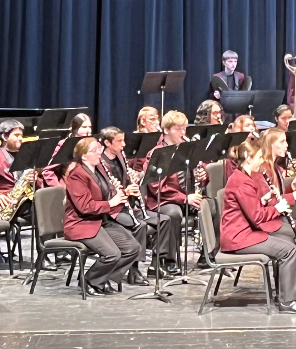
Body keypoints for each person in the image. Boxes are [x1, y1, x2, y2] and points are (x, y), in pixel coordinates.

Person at [220, 140, 296, 313]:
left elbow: (250, 207)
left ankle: (288, 293)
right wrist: (277, 208)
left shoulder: (243, 177)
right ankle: (288, 302)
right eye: (259, 157)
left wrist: (262, 201)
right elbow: (256, 217)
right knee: (289, 250)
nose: (261, 160)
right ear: (248, 158)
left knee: (289, 238)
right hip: (239, 237)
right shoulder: (241, 181)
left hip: (245, 232)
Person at [63, 137, 144, 296]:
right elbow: (85, 207)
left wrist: (123, 193)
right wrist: (111, 203)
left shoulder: (100, 169)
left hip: (100, 220)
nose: (99, 152)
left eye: (99, 149)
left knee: (133, 249)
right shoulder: (77, 175)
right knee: (112, 254)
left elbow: (106, 195)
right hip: (81, 224)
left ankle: (103, 278)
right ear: (84, 156)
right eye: (94, 150)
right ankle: (88, 280)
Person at [97, 126, 178, 277]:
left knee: (165, 220)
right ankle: (134, 270)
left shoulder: (121, 157)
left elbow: (125, 181)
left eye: (123, 140)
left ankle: (156, 264)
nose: (123, 145)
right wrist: (125, 191)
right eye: (119, 141)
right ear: (107, 143)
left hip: (128, 207)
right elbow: (104, 191)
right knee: (139, 225)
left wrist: (131, 181)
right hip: (113, 211)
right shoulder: (100, 163)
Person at [141, 111, 207, 276]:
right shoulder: (157, 153)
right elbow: (156, 188)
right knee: (173, 213)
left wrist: (203, 176)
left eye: (184, 128)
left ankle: (208, 255)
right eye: (178, 129)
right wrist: (185, 198)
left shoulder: (187, 150)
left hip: (185, 198)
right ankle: (168, 261)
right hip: (162, 202)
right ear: (166, 130)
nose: (183, 133)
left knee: (211, 205)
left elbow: (197, 175)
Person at [254, 129, 296, 287]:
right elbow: (271, 202)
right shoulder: (263, 169)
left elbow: (279, 193)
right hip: (266, 220)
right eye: (282, 142)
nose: (287, 145)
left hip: (277, 216)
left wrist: (294, 185)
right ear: (271, 145)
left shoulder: (275, 167)